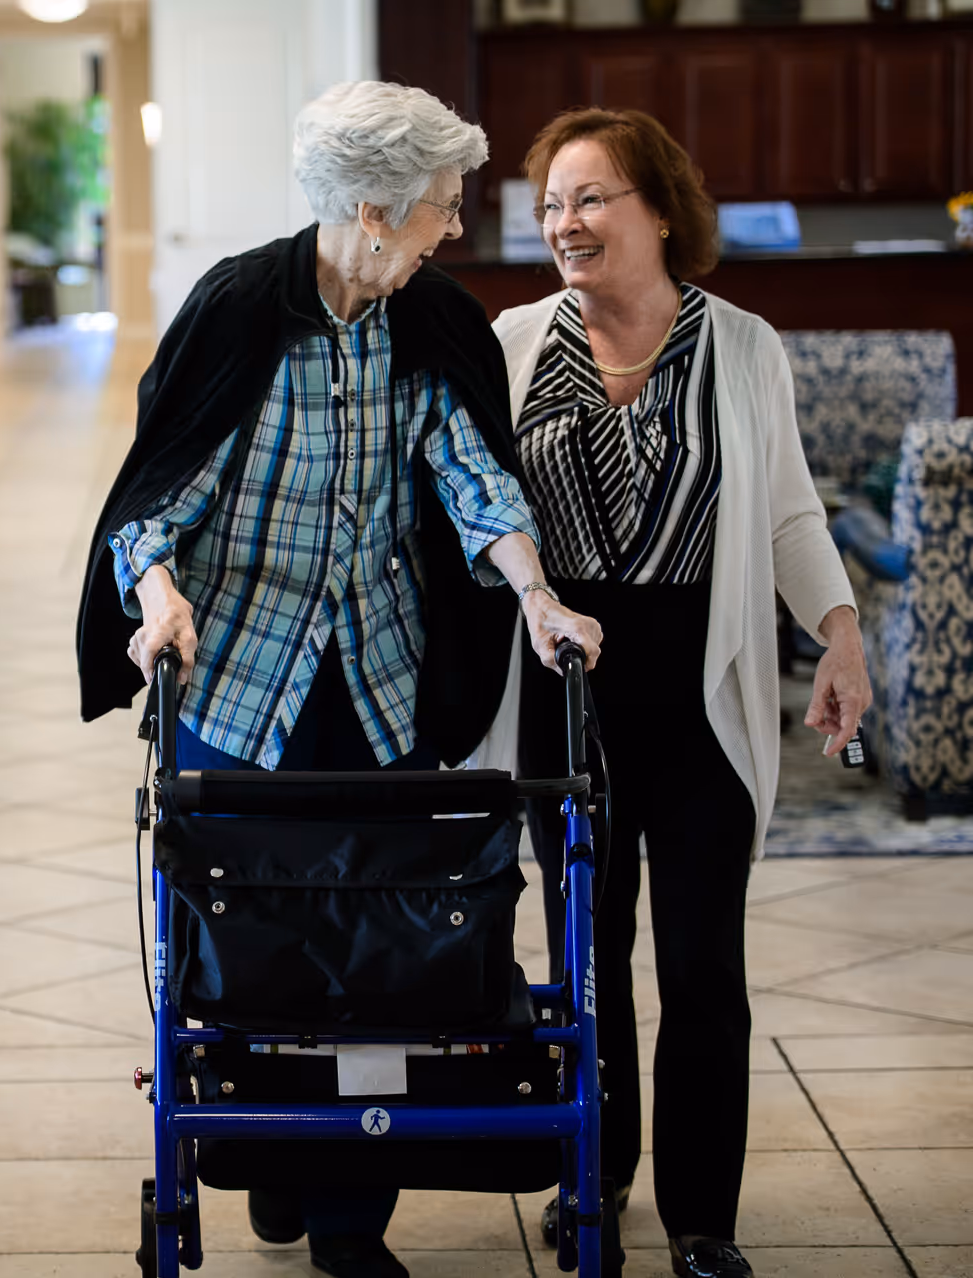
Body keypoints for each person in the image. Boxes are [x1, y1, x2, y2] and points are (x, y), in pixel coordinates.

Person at [75, 80, 604, 1278]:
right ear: (373, 210)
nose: (455, 229)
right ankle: (269, 1152)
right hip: (241, 681)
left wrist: (534, 593)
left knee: (375, 953)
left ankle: (349, 1226)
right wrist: (158, 601)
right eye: (440, 209)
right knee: (254, 937)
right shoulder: (236, 314)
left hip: (378, 681)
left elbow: (477, 479)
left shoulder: (429, 324)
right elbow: (155, 500)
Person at [486, 108, 871, 1278]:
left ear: (660, 208)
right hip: (567, 693)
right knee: (585, 956)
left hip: (704, 691)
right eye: (552, 201)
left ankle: (705, 1221)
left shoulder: (746, 347)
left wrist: (842, 635)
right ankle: (591, 1180)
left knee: (705, 965)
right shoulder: (510, 340)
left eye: (590, 197)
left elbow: (792, 514)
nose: (564, 221)